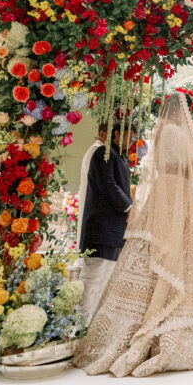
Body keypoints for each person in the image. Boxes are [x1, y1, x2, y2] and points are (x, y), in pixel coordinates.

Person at [75, 93, 193, 377]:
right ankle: (160, 326)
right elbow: (188, 169)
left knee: (170, 254)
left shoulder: (165, 132)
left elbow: (188, 170)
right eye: (186, 110)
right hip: (172, 195)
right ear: (178, 111)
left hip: (173, 191)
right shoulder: (172, 131)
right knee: (170, 254)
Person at [76, 123, 133, 323]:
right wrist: (128, 207)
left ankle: (91, 326)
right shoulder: (103, 153)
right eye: (129, 136)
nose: (132, 141)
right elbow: (109, 184)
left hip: (112, 231)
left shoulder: (116, 155)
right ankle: (80, 325)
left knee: (103, 281)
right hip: (101, 229)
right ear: (115, 134)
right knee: (93, 279)